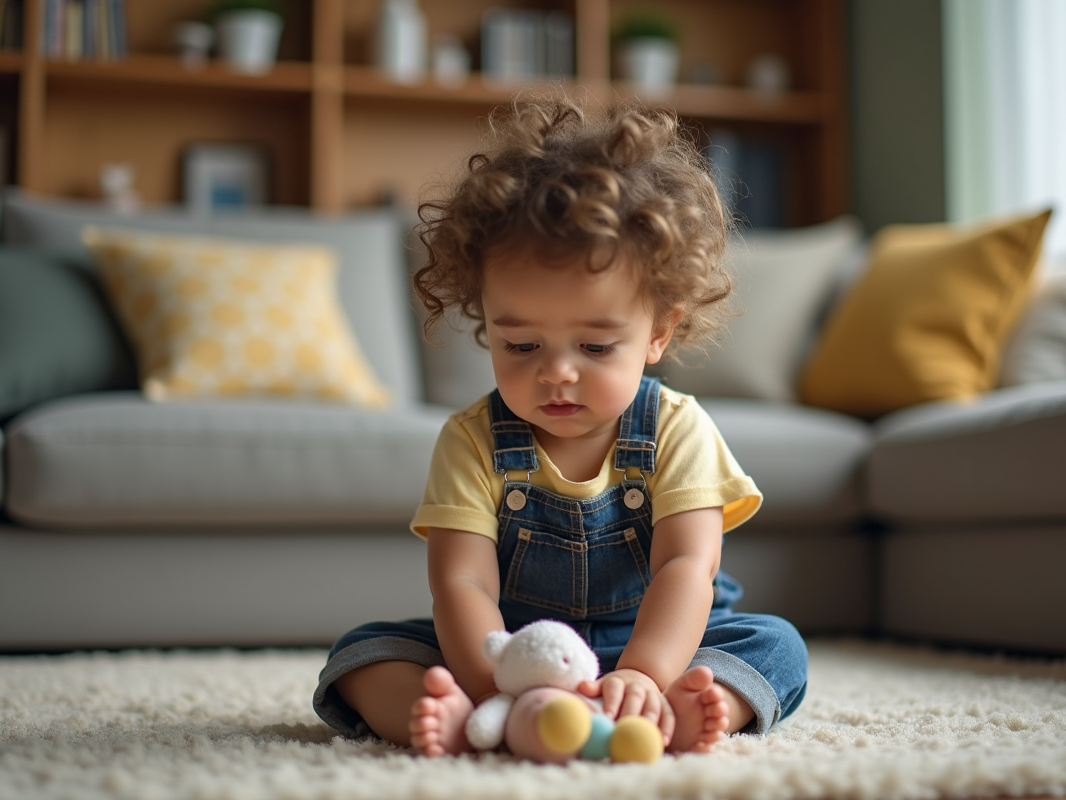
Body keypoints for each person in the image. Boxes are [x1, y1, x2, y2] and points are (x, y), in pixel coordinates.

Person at [312, 93, 808, 759]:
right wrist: (491, 684)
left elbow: (688, 565)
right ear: (487, 322)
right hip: (513, 649)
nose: (557, 374)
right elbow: (463, 584)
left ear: (658, 331)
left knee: (776, 645)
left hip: (657, 638)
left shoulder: (676, 428)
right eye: (521, 346)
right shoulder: (473, 439)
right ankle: (451, 717)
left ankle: (673, 706)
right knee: (363, 652)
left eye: (596, 348)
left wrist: (643, 671)